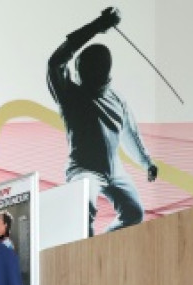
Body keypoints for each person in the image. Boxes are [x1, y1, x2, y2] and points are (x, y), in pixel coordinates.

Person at [48, 7, 158, 235]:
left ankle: (100, 245)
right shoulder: (70, 95)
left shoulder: (117, 100)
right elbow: (56, 62)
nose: (77, 73)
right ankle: (85, 253)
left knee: (134, 213)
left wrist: (146, 162)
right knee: (84, 205)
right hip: (84, 170)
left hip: (115, 171)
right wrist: (97, 26)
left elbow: (130, 135)